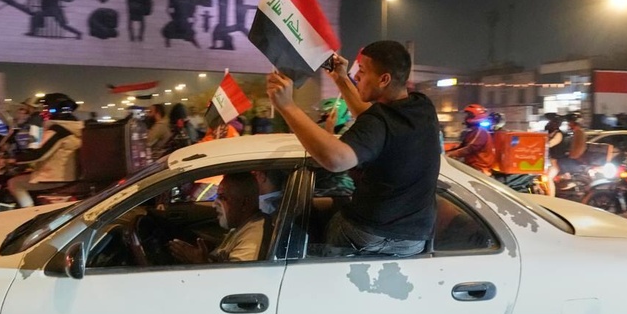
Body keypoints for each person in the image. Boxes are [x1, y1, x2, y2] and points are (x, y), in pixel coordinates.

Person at [267, 40, 440, 257]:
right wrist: (341, 79)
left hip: (366, 234)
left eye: (362, 71)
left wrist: (287, 107)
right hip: (413, 241)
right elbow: (371, 121)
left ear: (384, 79)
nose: (356, 76)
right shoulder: (421, 107)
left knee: (291, 252)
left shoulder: (380, 121)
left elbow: (336, 160)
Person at [168, 172, 267, 263]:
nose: (214, 204)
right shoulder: (240, 227)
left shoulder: (252, 239)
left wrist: (200, 262)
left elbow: (235, 280)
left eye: (223, 198)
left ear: (244, 203)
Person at [7, 95, 83, 207]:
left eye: (47, 108)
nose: (44, 111)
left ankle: (28, 214)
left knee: (14, 183)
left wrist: (11, 160)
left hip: (55, 177)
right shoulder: (74, 128)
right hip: (68, 175)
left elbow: (38, 154)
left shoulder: (58, 130)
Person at [447, 104, 495, 174]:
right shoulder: (473, 131)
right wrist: (446, 152)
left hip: (478, 169)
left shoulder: (480, 131)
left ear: (475, 116)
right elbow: (462, 147)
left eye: (469, 115)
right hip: (472, 167)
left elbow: (471, 148)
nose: (466, 118)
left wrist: (451, 154)